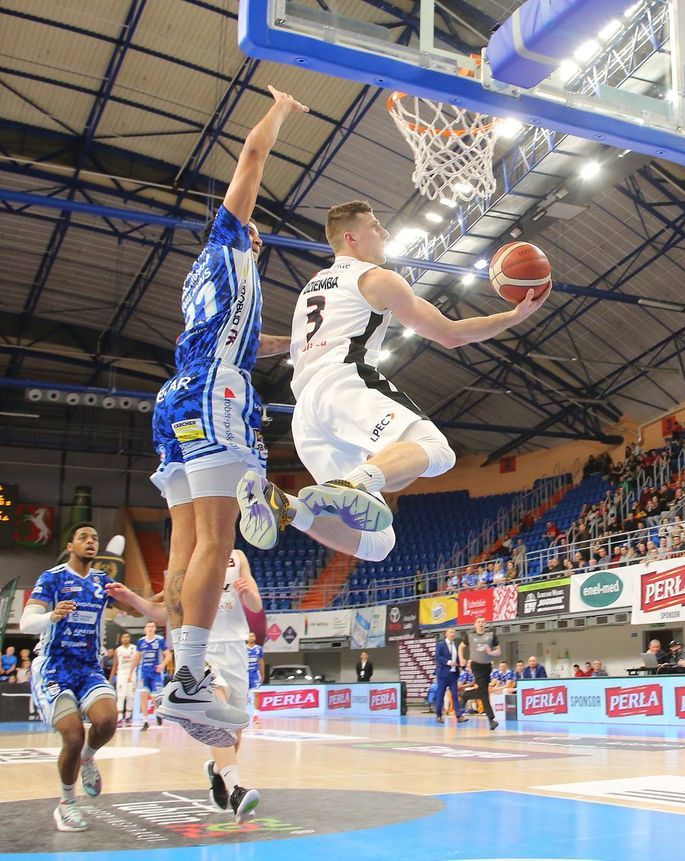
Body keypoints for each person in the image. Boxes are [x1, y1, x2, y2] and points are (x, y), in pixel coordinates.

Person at [148, 86, 351, 743]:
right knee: (218, 539)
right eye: (253, 227)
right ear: (243, 232)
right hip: (215, 392)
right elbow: (253, 157)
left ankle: (185, 678)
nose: (257, 230)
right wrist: (282, 111)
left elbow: (244, 338)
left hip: (177, 396)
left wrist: (295, 344)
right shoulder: (229, 245)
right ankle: (189, 683)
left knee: (185, 545)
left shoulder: (209, 286)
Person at [238, 199, 547, 561]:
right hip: (345, 382)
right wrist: (513, 316)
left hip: (307, 412)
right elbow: (448, 334)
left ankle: (288, 506)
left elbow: (398, 475)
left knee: (378, 544)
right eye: (374, 226)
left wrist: (385, 474)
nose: (383, 233)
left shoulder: (312, 287)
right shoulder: (374, 277)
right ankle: (354, 483)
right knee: (438, 450)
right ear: (351, 238)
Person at [109, 549, 264, 822]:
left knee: (234, 736)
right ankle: (237, 789)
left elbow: (255, 605)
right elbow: (163, 613)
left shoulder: (237, 556)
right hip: (200, 649)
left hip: (235, 649)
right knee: (217, 717)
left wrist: (247, 592)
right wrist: (131, 598)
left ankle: (218, 772)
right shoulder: (187, 560)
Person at [18, 524, 140, 830]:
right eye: (84, 537)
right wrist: (51, 616)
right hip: (55, 667)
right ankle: (67, 803)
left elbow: (136, 610)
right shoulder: (52, 578)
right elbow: (25, 623)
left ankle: (88, 758)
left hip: (88, 668)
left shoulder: (102, 582)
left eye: (95, 538)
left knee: (108, 722)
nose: (91, 542)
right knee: (72, 734)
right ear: (70, 545)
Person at [134, 621, 170, 732]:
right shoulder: (141, 641)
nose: (150, 628)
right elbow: (137, 657)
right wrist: (132, 671)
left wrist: (163, 665)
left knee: (155, 697)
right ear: (145, 629)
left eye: (152, 626)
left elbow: (168, 654)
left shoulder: (159, 640)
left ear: (155, 629)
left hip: (156, 673)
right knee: (143, 696)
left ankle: (158, 712)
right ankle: (145, 722)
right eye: (148, 626)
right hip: (143, 673)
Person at [466, 616, 501, 730]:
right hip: (476, 665)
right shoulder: (470, 636)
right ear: (475, 624)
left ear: (485, 624)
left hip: (487, 666)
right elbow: (461, 646)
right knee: (484, 693)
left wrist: (491, 652)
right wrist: (462, 658)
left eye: (483, 622)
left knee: (483, 692)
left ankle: (466, 695)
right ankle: (491, 719)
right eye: (478, 622)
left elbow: (499, 652)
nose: (481, 623)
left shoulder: (490, 635)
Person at [433, 628, 466, 723]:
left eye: (454, 632)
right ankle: (439, 715)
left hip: (453, 675)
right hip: (443, 675)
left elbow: (458, 660)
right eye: (451, 632)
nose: (453, 634)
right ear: (446, 634)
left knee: (455, 695)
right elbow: (438, 657)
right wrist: (448, 662)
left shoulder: (456, 645)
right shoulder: (441, 644)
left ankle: (459, 716)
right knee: (440, 694)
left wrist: (463, 667)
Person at [111, 632, 137, 726]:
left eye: (127, 637)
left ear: (129, 638)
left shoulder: (135, 648)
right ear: (121, 639)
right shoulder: (118, 650)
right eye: (123, 637)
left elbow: (138, 661)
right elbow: (114, 665)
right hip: (121, 674)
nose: (125, 638)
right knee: (121, 696)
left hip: (132, 674)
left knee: (130, 696)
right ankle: (119, 718)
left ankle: (128, 717)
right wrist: (110, 679)